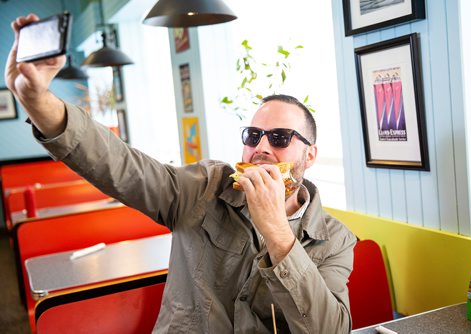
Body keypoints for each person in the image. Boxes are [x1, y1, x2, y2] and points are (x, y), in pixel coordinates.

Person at [6, 14, 356, 333]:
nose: (262, 148)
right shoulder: (204, 190)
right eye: (253, 136)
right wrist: (38, 101)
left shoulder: (336, 241)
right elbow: (121, 166)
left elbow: (332, 330)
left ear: (310, 155)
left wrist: (279, 235)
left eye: (280, 137)